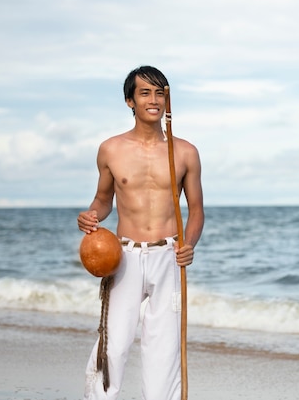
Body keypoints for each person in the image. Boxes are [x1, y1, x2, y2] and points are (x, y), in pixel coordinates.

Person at [77, 65, 204, 400]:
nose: (154, 99)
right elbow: (103, 201)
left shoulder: (186, 152)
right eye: (145, 92)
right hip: (124, 257)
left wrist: (189, 245)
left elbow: (197, 211)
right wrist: (91, 217)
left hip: (169, 257)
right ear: (130, 101)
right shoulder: (111, 149)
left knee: (164, 351)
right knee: (113, 345)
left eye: (160, 92)